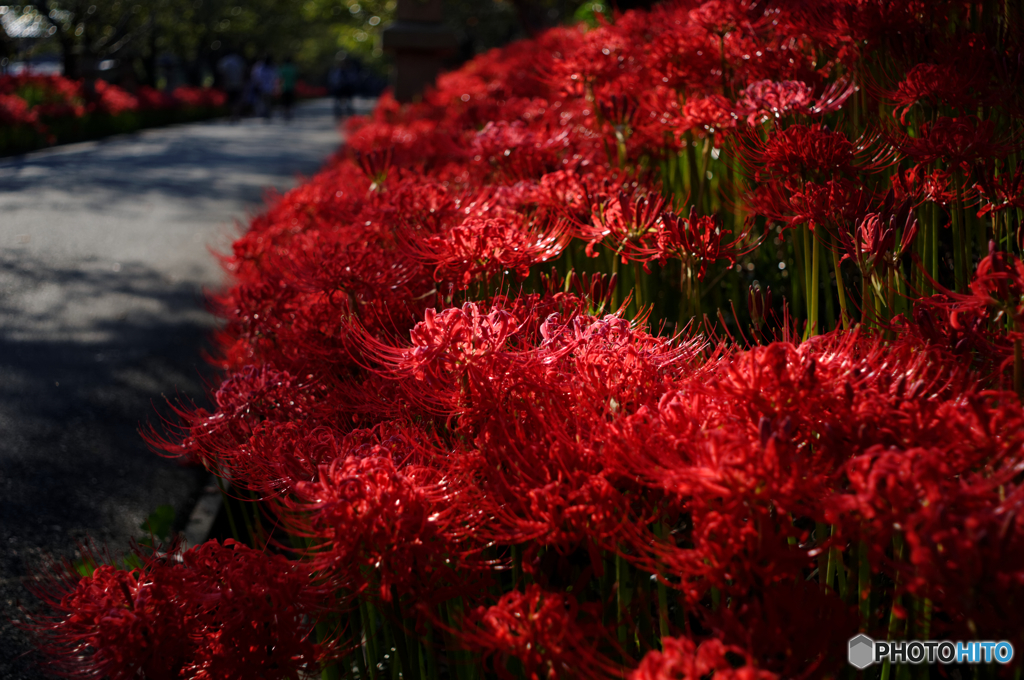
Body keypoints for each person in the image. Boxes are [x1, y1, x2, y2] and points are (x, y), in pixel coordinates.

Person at [327, 52, 359, 119]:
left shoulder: (350, 69)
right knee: (337, 104)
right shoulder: (336, 70)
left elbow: (353, 79)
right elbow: (333, 79)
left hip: (348, 89)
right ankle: (338, 116)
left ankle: (351, 117)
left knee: (349, 104)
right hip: (338, 89)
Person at [217, 51, 246, 122]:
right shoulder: (239, 60)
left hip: (228, 83)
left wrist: (223, 82)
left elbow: (221, 72)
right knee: (237, 100)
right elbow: (244, 71)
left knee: (230, 100)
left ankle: (232, 115)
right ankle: (236, 114)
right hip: (238, 83)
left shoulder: (225, 60)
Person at [278, 56, 298, 121]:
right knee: (290, 102)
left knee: (284, 102)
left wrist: (279, 87)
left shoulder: (283, 68)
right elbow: (295, 78)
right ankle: (289, 114)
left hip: (284, 88)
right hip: (291, 87)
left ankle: (285, 114)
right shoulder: (292, 68)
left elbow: (280, 79)